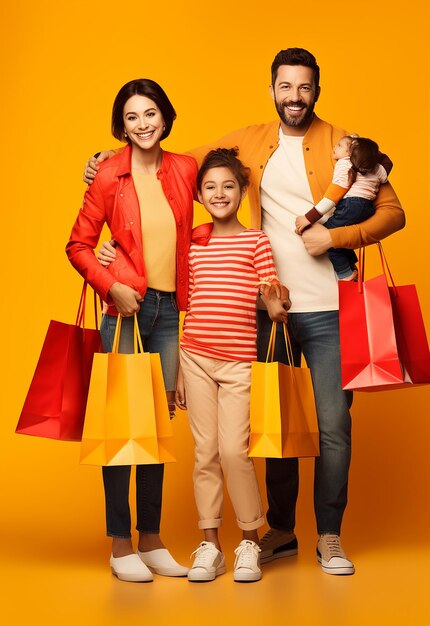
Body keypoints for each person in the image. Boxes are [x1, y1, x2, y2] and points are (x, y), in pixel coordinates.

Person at [84, 48, 405, 576]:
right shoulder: (252, 140)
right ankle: (279, 531)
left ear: (316, 90)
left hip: (327, 308)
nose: (294, 96)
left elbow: (393, 212)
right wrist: (104, 167)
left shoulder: (343, 144)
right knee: (270, 423)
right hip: (258, 312)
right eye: (285, 86)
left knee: (331, 427)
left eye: (303, 87)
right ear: (272, 88)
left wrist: (335, 235)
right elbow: (170, 166)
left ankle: (329, 535)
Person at [66, 78, 197, 582]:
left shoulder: (185, 167)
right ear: (120, 125)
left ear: (165, 116)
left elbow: (222, 187)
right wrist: (111, 287)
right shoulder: (107, 175)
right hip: (125, 312)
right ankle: (121, 543)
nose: (143, 125)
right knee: (123, 428)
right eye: (132, 118)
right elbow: (78, 245)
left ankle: (152, 538)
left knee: (158, 426)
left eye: (150, 114)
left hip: (167, 313)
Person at [175, 148, 289, 583]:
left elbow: (269, 285)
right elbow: (182, 300)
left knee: (233, 452)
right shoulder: (194, 240)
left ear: (243, 192)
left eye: (228, 185)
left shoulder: (256, 240)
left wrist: (278, 302)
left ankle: (248, 541)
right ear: (199, 196)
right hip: (195, 358)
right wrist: (181, 371)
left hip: (240, 361)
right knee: (204, 454)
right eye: (209, 187)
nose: (219, 193)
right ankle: (210, 545)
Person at [295, 134, 390, 280]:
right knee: (341, 237)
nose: (335, 147)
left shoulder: (344, 164)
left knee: (327, 238)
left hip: (351, 206)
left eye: (339, 145)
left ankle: (345, 274)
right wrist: (368, 151)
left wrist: (308, 218)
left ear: (349, 153)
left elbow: (333, 195)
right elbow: (387, 164)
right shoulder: (375, 167)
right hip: (367, 209)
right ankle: (351, 266)